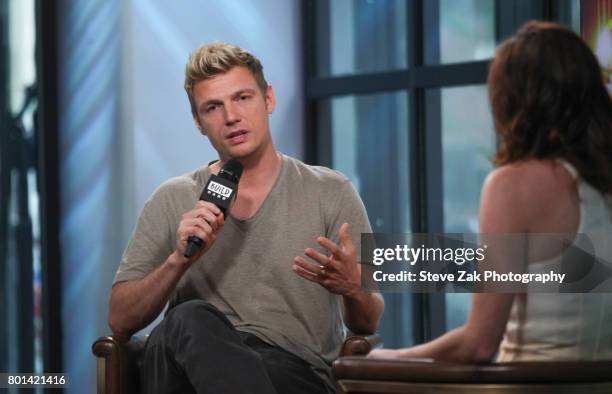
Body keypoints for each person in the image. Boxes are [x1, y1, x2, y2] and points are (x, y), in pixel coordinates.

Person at [108, 42, 384, 394]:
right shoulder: (172, 198)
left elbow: (369, 319)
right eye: (213, 107)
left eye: (242, 98)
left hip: (293, 373)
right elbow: (119, 320)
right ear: (198, 122)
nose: (231, 116)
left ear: (268, 99)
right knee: (186, 320)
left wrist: (353, 288)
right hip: (187, 366)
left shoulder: (331, 191)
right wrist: (178, 261)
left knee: (186, 327)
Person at [369, 21, 612, 363]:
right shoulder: (599, 182)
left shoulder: (513, 185)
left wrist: (387, 359)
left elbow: (479, 343)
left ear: (514, 101)